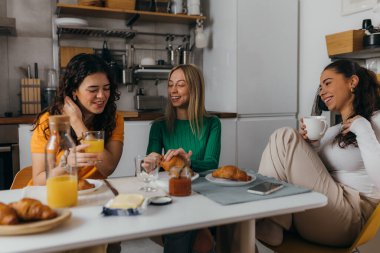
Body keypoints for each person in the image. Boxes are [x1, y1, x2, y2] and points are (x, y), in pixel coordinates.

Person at [256, 59, 380, 249]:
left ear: (352, 82)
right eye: (320, 86)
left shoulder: (375, 121)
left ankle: (268, 220)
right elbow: (318, 175)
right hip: (322, 209)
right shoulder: (333, 130)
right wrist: (310, 146)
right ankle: (266, 218)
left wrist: (363, 129)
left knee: (285, 136)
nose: (321, 91)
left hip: (350, 217)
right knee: (286, 138)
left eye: (328, 83)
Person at [146, 64, 221, 253]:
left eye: (180, 85)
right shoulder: (159, 126)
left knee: (202, 243)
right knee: (196, 240)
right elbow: (151, 166)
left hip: (205, 196)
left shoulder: (213, 123)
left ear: (194, 88)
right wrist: (150, 163)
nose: (173, 90)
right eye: (170, 85)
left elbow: (212, 163)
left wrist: (188, 163)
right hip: (173, 197)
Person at [30, 53, 124, 186]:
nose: (101, 96)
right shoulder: (48, 121)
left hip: (92, 193)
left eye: (106, 88)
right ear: (74, 91)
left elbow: (108, 168)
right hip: (56, 193)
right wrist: (66, 165)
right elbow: (38, 181)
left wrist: (77, 123)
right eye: (93, 90)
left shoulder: (114, 119)